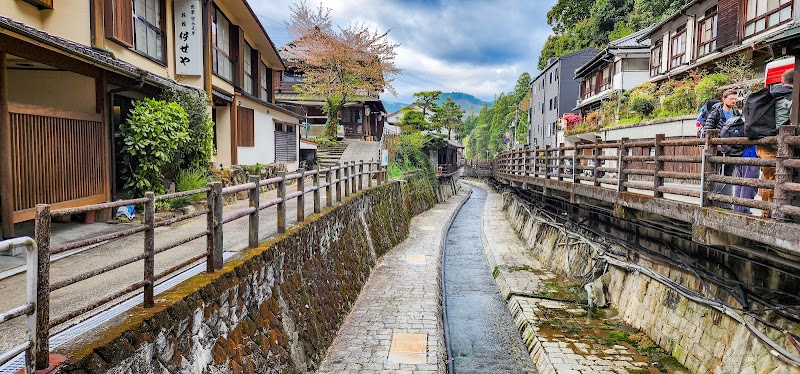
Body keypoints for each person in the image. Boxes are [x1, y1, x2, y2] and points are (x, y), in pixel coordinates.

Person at [756, 69, 793, 216]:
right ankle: (774, 213)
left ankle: (767, 212)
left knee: (767, 178)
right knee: (776, 179)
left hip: (763, 143)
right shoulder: (792, 98)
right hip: (777, 146)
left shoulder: (770, 96)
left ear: (782, 81)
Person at [703, 90, 741, 209]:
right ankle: (711, 198)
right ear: (724, 99)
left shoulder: (736, 113)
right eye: (731, 99)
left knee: (728, 173)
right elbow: (707, 130)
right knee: (714, 172)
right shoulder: (716, 113)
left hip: (731, 149)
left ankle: (726, 201)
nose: (734, 101)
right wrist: (715, 145)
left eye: (735, 99)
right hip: (717, 149)